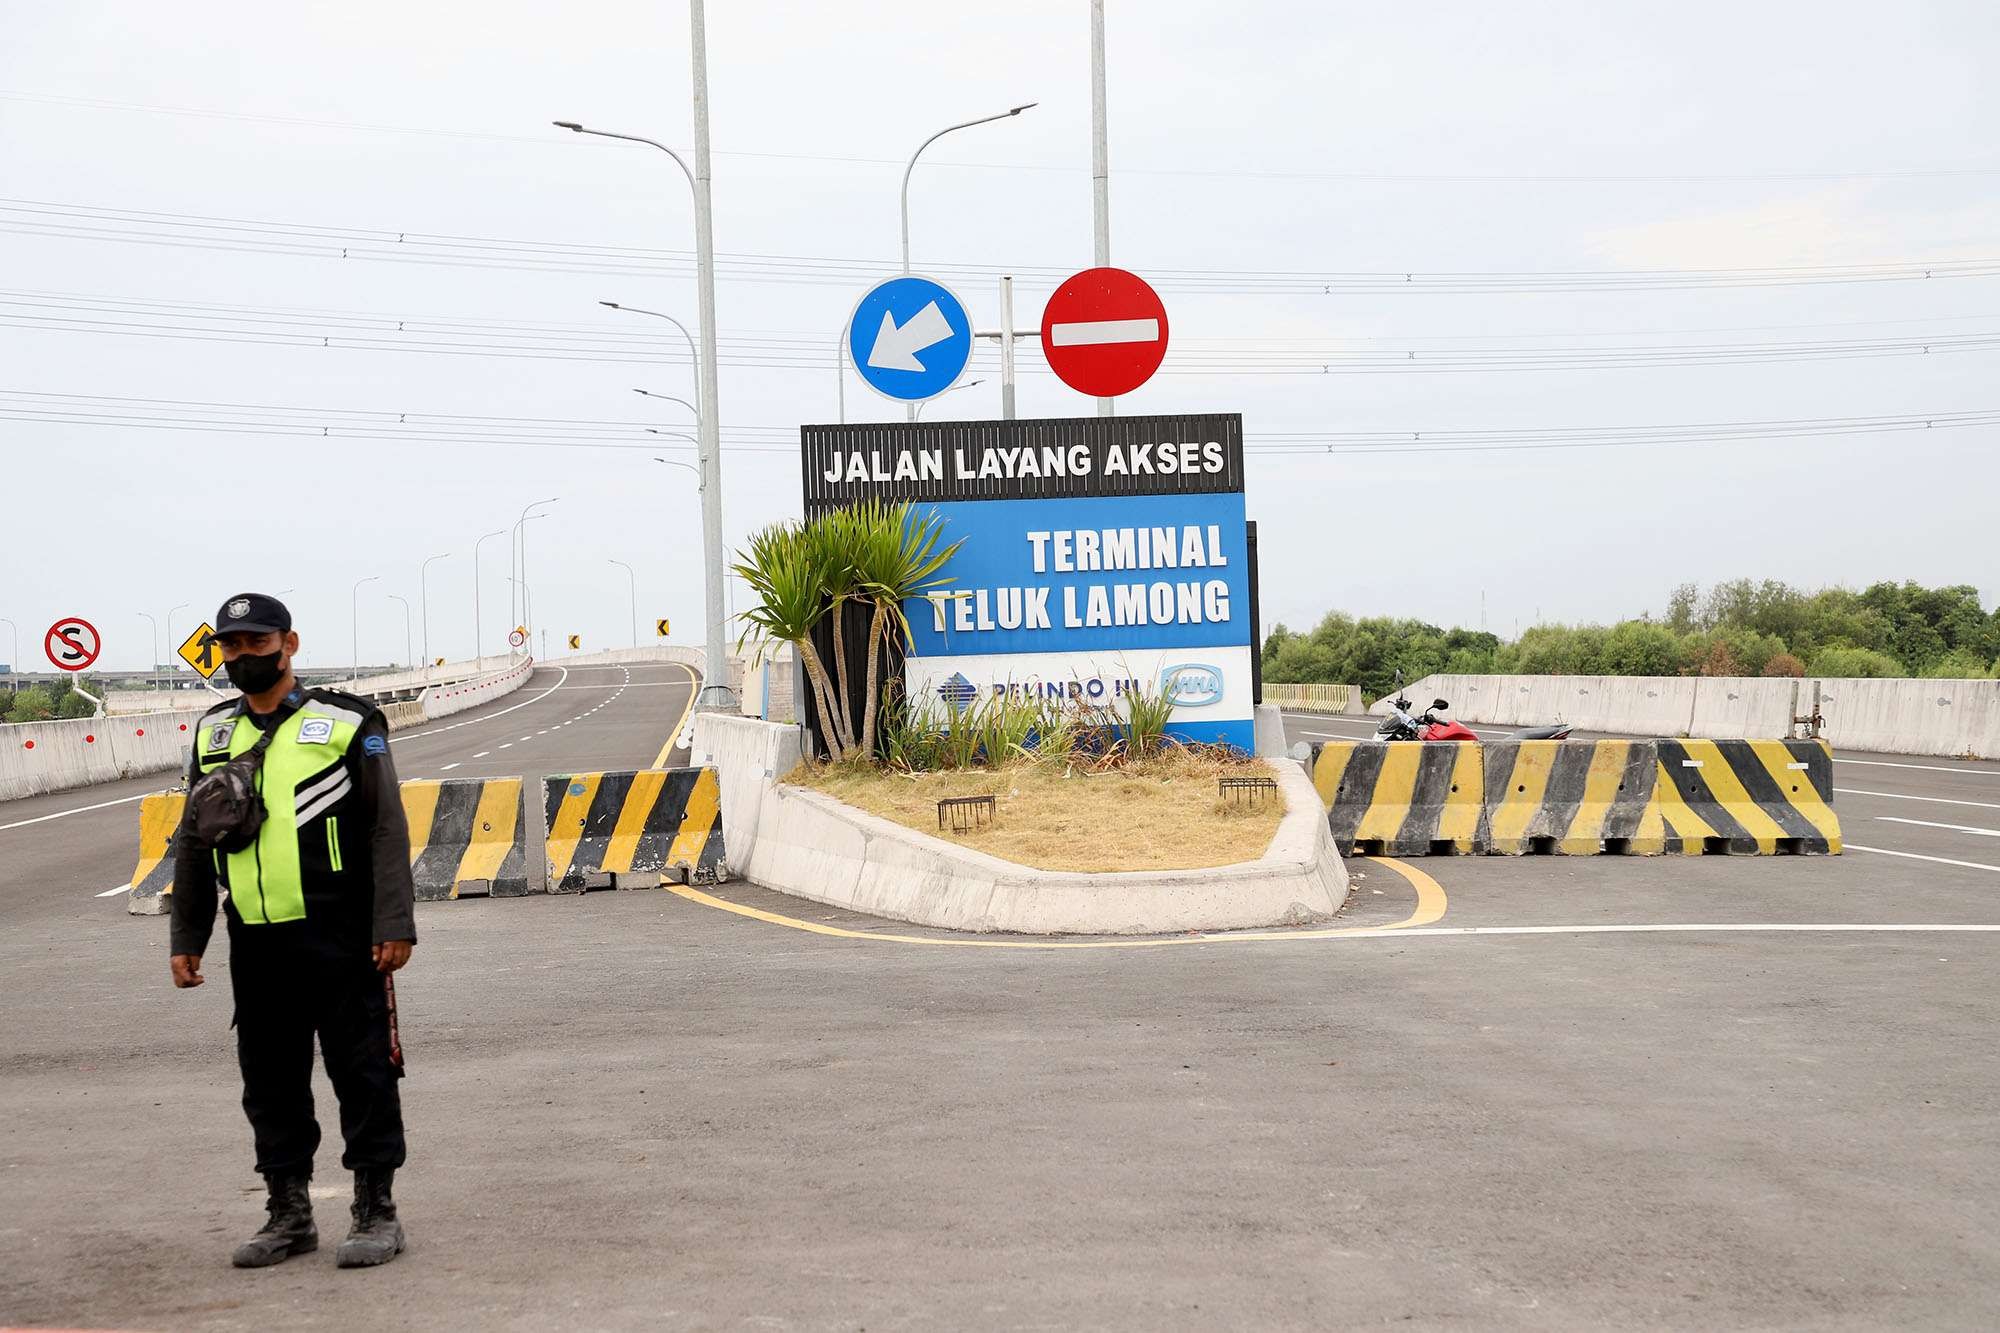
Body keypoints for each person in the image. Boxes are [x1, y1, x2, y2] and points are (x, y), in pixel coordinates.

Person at [168, 592, 417, 1269]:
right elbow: (193, 838)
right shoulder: (213, 733)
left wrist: (394, 922)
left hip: (341, 933)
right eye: (231, 645)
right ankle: (289, 1212)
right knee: (269, 1078)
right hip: (255, 937)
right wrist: (187, 935)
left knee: (362, 1071)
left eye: (256, 642)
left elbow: (386, 826)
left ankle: (376, 1209)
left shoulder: (349, 722)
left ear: (290, 643)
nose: (243, 656)